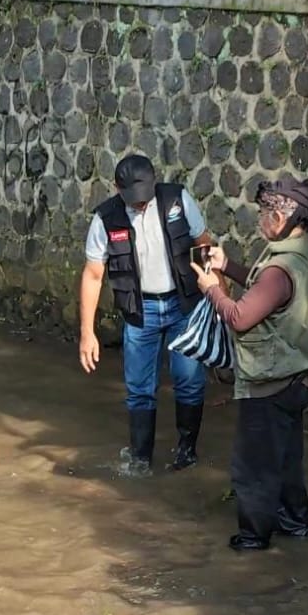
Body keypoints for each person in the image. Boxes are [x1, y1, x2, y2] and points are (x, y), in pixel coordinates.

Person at [196, 176, 308, 552]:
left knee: (254, 468)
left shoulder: (280, 266)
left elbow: (241, 316)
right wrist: (228, 267)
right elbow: (266, 290)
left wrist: (211, 288)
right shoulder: (304, 252)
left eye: (262, 213)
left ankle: (253, 540)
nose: (259, 219)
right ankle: (297, 525)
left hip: (268, 382)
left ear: (280, 217)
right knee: (287, 462)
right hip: (294, 379)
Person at [79, 154, 213, 476]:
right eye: (133, 200)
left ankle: (186, 452)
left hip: (184, 306)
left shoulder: (177, 199)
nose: (140, 206)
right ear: (117, 188)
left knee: (190, 381)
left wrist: (217, 297)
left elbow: (204, 242)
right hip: (141, 311)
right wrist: (87, 332)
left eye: (145, 198)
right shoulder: (106, 219)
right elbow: (93, 275)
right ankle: (141, 460)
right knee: (139, 389)